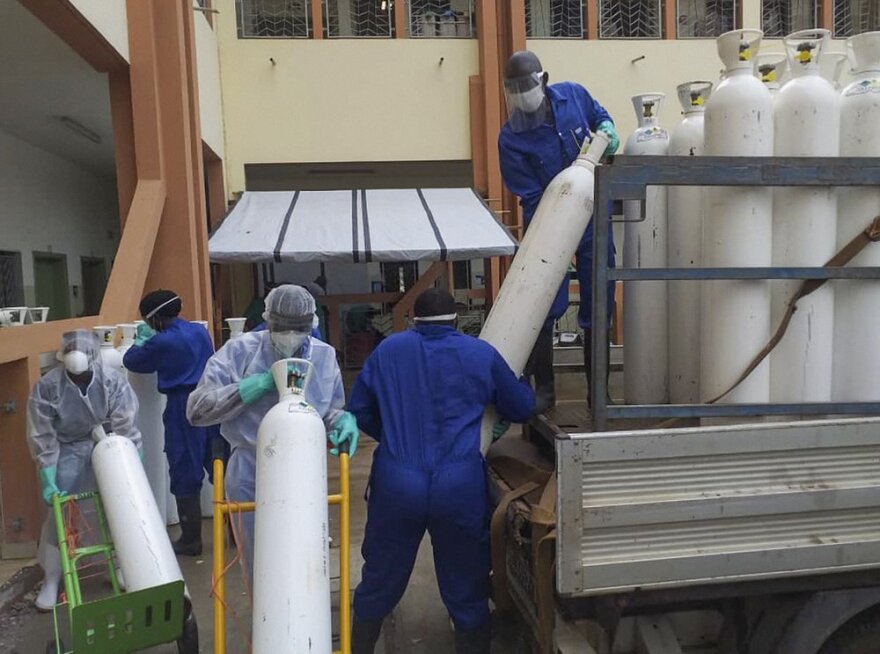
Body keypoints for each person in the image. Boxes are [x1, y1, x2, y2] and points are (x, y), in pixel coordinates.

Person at [349, 288, 535, 654]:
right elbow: (521, 406)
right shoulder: (480, 353)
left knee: (381, 575)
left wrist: (393, 438)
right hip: (458, 480)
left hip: (398, 477)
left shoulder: (388, 351)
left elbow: (359, 410)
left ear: (413, 319)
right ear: (457, 320)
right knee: (466, 580)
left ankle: (361, 647)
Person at [186, 284, 357, 576]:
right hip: (252, 468)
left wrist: (342, 421)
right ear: (268, 321)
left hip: (304, 469)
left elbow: (328, 409)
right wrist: (249, 388)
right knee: (261, 565)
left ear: (312, 325)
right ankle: (263, 619)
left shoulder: (324, 356)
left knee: (305, 560)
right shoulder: (239, 352)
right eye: (283, 328)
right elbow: (197, 410)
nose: (291, 336)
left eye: (298, 329)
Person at [498, 49, 619, 412]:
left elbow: (601, 118)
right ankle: (545, 389)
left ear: (544, 79)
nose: (521, 94)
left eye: (526, 86)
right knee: (543, 304)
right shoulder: (510, 138)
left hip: (594, 218)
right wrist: (552, 234)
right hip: (547, 222)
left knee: (599, 300)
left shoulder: (574, 96)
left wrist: (608, 131)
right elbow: (531, 194)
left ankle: (599, 391)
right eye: (514, 89)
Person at [27, 330, 142, 610]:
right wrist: (48, 477)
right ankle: (52, 579)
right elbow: (42, 434)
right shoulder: (48, 387)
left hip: (105, 442)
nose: (79, 379)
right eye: (73, 375)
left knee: (115, 505)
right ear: (62, 361)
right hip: (65, 449)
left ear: (93, 362)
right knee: (61, 513)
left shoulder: (111, 381)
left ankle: (119, 566)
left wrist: (129, 461)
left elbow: (126, 424)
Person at [122, 290, 222, 556]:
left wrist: (139, 342)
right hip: (211, 400)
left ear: (154, 318)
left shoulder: (162, 342)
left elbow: (131, 362)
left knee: (184, 467)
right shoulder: (199, 332)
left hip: (182, 406)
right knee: (219, 464)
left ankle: (191, 540)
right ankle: (235, 532)